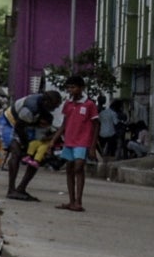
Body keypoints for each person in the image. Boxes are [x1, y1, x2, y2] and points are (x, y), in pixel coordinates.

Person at [7, 89, 61, 201]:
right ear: (47, 102)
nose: (55, 109)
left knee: (36, 158)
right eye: (54, 106)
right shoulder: (30, 108)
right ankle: (11, 190)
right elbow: (19, 127)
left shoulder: (45, 108)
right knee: (16, 154)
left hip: (28, 125)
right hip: (11, 122)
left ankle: (21, 188)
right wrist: (25, 146)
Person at [56, 76, 99, 212]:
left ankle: (79, 201)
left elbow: (96, 125)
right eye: (69, 87)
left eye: (73, 87)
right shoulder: (68, 104)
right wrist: (54, 139)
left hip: (83, 141)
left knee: (79, 168)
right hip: (69, 140)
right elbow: (64, 124)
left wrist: (92, 147)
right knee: (69, 169)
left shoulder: (89, 105)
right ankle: (71, 200)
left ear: (81, 88)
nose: (71, 90)